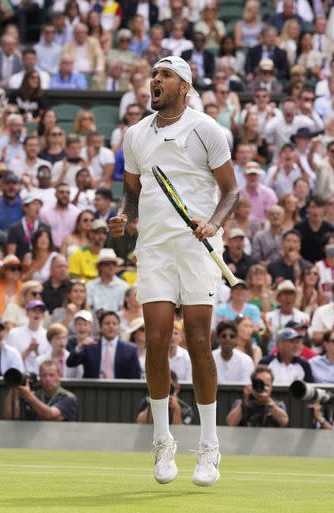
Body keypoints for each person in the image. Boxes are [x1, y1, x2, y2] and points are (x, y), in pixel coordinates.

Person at [109, 55, 240, 485]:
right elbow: (132, 192)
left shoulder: (206, 129)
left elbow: (231, 191)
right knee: (158, 341)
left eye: (165, 75)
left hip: (198, 246)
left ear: (184, 85)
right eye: (153, 75)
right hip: (154, 248)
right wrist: (124, 217)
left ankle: (209, 447)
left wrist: (215, 224)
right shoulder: (135, 135)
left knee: (200, 342)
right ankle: (163, 443)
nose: (155, 81)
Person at [66, 310, 142, 379]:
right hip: (93, 391)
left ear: (118, 327)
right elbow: (70, 363)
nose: (111, 326)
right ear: (100, 327)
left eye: (114, 323)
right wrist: (80, 346)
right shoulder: (90, 345)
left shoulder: (130, 349)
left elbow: (135, 375)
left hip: (121, 392)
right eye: (107, 323)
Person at [5, 359, 79, 421]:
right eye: (44, 375)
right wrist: (14, 387)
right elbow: (11, 417)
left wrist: (29, 397)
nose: (47, 379)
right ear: (40, 378)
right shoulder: (35, 394)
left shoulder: (68, 398)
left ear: (59, 376)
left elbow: (50, 416)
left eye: (51, 375)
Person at [6, 300, 52, 373]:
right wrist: (29, 349)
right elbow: (10, 361)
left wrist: (37, 352)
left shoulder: (48, 335)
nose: (37, 314)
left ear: (43, 315)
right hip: (19, 375)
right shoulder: (14, 333)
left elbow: (48, 364)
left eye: (40, 311)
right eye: (34, 310)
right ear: (27, 313)